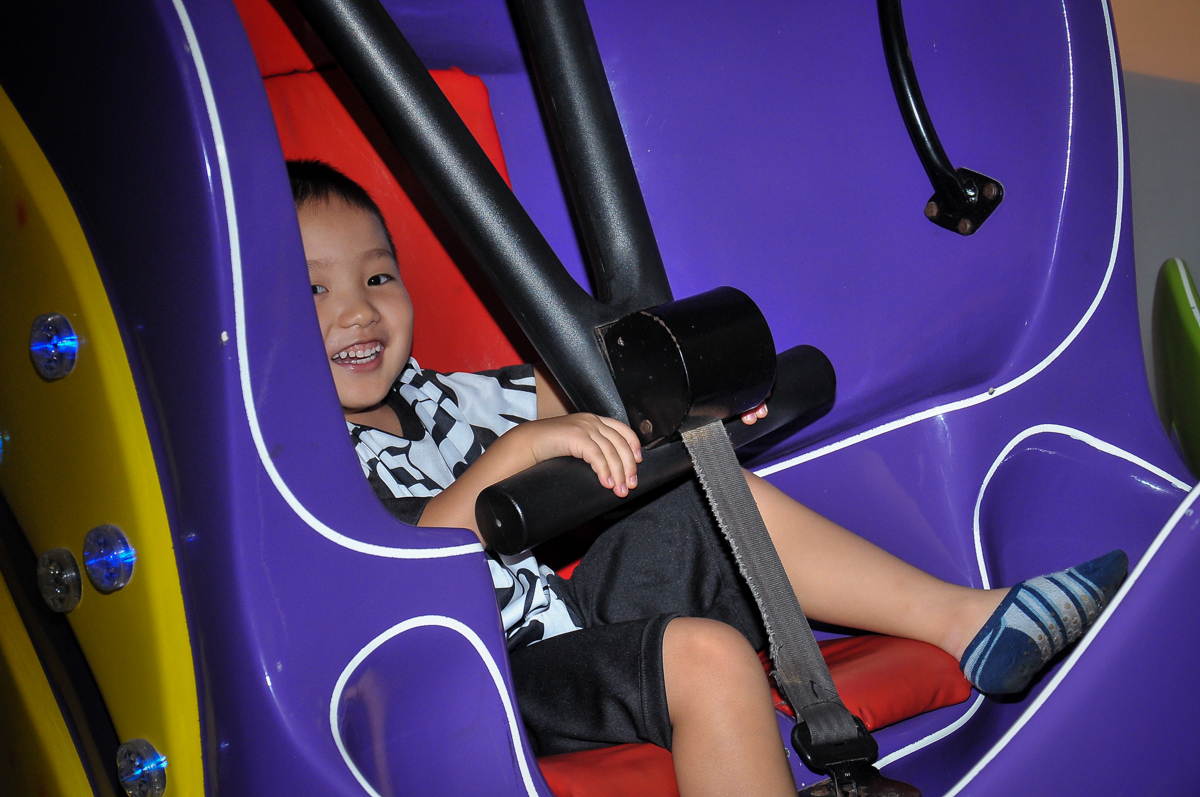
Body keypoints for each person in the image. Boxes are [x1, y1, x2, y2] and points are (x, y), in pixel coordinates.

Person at [290, 159, 1128, 796]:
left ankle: (970, 623)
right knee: (707, 657)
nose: (357, 311)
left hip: (569, 625)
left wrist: (689, 406)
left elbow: (569, 386)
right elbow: (403, 575)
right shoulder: (299, 458)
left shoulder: (440, 395)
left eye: (376, 277)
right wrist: (523, 452)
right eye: (313, 288)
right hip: (493, 681)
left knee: (709, 494)